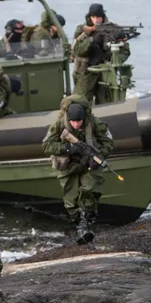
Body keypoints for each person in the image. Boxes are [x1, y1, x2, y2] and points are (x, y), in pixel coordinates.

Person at [41, 94, 114, 244]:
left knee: (89, 191)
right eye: (73, 122)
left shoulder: (93, 123)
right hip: (68, 164)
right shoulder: (59, 124)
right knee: (71, 201)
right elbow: (47, 145)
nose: (75, 125)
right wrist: (68, 148)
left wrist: (99, 157)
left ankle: (86, 226)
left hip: (89, 163)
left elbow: (108, 142)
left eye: (78, 121)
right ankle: (78, 224)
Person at [72, 3, 131, 104]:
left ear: (102, 17)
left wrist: (118, 43)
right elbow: (77, 51)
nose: (96, 20)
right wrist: (91, 40)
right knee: (80, 102)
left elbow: (125, 52)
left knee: (106, 102)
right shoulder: (82, 30)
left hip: (105, 72)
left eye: (98, 17)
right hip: (86, 71)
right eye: (93, 17)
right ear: (89, 17)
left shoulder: (111, 28)